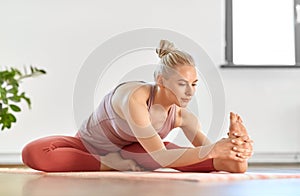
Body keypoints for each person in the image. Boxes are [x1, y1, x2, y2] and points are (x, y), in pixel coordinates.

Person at [22, 40, 253, 173]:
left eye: (194, 84)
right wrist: (213, 149)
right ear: (161, 80)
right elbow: (162, 157)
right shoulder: (135, 97)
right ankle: (107, 164)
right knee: (33, 152)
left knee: (215, 160)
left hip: (136, 153)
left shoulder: (185, 117)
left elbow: (215, 159)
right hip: (88, 147)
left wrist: (234, 147)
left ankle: (117, 163)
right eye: (182, 84)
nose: (190, 91)